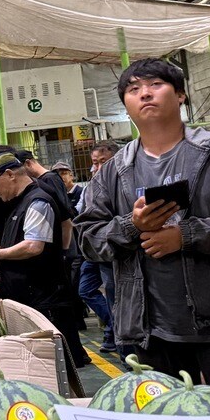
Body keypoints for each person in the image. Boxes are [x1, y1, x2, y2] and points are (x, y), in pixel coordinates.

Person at [77, 59, 210, 397]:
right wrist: (132, 225)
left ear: (181, 95)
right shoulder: (113, 172)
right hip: (150, 331)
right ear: (126, 104)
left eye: (155, 84)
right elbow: (87, 238)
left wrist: (186, 235)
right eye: (133, 89)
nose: (144, 93)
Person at [0, 152, 91, 368]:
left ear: (10, 175)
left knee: (56, 367)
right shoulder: (18, 203)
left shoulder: (38, 201)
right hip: (29, 295)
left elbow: (33, 246)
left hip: (44, 298)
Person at [79, 141, 120, 351]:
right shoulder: (92, 187)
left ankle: (117, 340)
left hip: (113, 253)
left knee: (116, 296)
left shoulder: (122, 186)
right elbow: (82, 216)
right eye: (95, 162)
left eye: (103, 161)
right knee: (86, 291)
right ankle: (113, 329)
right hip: (93, 253)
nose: (97, 167)